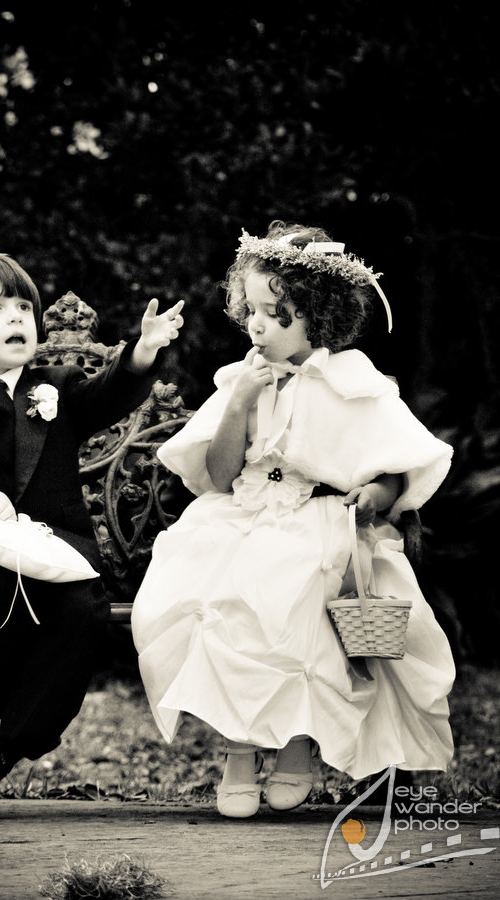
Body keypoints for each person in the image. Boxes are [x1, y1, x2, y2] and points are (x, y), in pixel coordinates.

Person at [131, 221, 455, 818]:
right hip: (242, 514)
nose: (258, 324)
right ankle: (239, 748)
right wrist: (240, 401)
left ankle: (297, 745)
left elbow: (395, 469)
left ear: (319, 316)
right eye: (252, 309)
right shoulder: (241, 380)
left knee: (297, 595)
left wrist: (373, 495)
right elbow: (223, 475)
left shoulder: (353, 382)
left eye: (278, 314)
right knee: (222, 600)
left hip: (319, 518)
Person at [0, 249, 184, 813]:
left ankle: (5, 749)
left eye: (23, 307)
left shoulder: (57, 387)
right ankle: (24, 732)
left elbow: (107, 396)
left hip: (61, 554)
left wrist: (142, 355)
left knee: (82, 609)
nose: (16, 318)